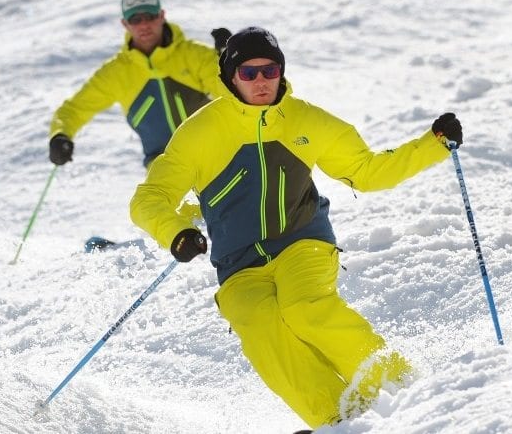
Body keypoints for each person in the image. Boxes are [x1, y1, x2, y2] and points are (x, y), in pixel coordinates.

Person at [129, 27, 463, 429]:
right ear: (230, 76)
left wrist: (433, 143)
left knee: (304, 308)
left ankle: (400, 385)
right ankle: (338, 418)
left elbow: (367, 171)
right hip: (239, 264)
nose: (261, 82)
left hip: (303, 241)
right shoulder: (202, 131)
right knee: (258, 326)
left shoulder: (306, 119)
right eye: (249, 73)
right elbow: (149, 198)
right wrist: (177, 233)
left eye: (269, 70)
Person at [48, 0, 228, 169]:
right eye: (135, 19)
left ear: (161, 16)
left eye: (150, 16)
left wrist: (230, 66)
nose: (144, 25)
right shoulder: (116, 72)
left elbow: (233, 94)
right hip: (163, 164)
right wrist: (60, 134)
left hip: (215, 152)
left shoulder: (194, 55)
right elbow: (76, 108)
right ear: (125, 24)